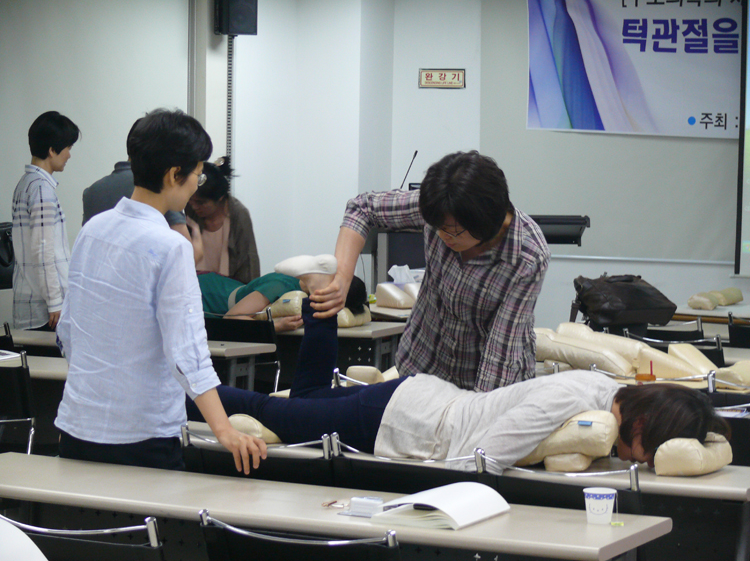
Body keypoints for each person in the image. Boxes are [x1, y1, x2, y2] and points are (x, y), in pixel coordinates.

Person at [188, 258, 730, 472]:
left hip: (417, 401)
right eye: (645, 451)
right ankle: (180, 394)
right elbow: (481, 458)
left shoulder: (602, 389)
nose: (640, 461)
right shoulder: (571, 402)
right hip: (404, 421)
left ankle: (319, 298)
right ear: (640, 423)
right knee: (272, 413)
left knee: (306, 400)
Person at [55, 109, 266, 472]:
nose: (196, 185)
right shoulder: (170, 247)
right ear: (173, 175)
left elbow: (68, 330)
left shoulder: (92, 230)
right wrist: (224, 430)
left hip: (76, 428)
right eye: (197, 175)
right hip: (142, 437)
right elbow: (187, 352)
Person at [312, 151, 551, 392]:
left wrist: (477, 410)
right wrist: (342, 278)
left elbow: (499, 355)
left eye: (452, 231)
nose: (442, 236)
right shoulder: (441, 207)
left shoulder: (526, 256)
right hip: (423, 363)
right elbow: (362, 208)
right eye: (437, 227)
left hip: (483, 379)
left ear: (484, 225)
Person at [12, 111, 80, 331]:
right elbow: (43, 251)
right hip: (45, 310)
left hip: (32, 301)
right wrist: (55, 302)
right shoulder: (42, 190)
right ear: (52, 150)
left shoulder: (26, 183)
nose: (69, 155)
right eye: (68, 147)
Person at [186, 157, 260, 284]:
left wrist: (247, 292)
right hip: (193, 283)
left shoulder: (238, 215)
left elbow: (249, 262)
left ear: (219, 198)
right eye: (191, 200)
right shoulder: (188, 209)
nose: (194, 206)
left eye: (201, 203)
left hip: (227, 288)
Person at [198, 271, 303, 332]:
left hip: (225, 289)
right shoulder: (280, 285)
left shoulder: (294, 284)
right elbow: (231, 317)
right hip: (210, 295)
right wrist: (277, 326)